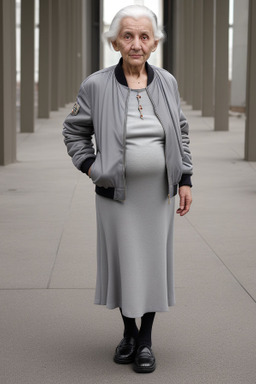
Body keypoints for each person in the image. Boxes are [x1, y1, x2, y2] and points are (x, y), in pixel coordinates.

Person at [63, 5, 193, 374]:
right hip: (116, 196)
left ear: (154, 44)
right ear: (115, 42)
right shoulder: (96, 84)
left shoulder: (167, 82)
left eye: (144, 36)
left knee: (152, 264)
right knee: (124, 264)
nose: (136, 43)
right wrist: (91, 167)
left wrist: (185, 179)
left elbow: (181, 132)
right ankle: (128, 333)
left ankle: (146, 341)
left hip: (157, 195)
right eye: (128, 36)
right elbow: (74, 131)